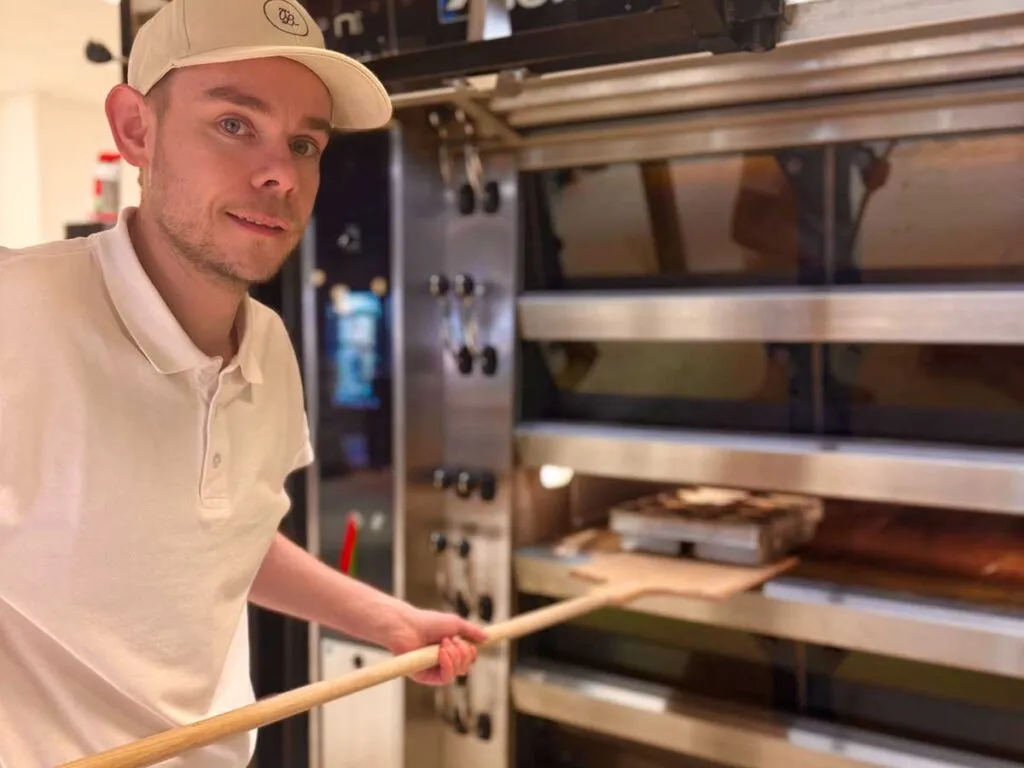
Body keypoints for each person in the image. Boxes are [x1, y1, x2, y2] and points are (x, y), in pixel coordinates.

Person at [0, 0, 487, 765]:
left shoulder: (268, 346)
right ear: (136, 129)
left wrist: (386, 619)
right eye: (234, 124)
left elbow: (226, 540)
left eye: (304, 143)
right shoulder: (15, 319)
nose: (280, 174)